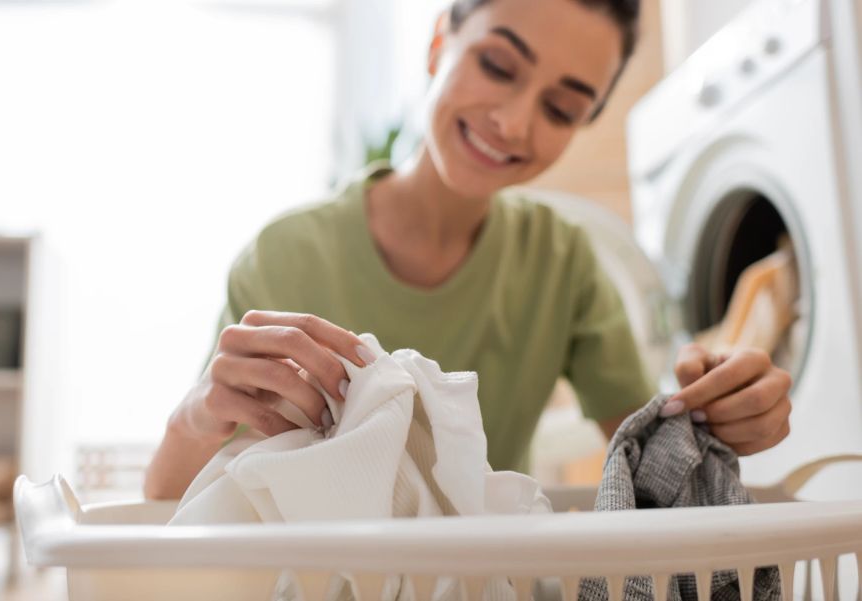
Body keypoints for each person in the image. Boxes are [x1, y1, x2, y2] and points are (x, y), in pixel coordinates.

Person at [143, 0, 792, 500]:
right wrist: (194, 416)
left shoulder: (561, 264)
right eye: (498, 66)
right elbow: (165, 511)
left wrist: (716, 422)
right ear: (437, 42)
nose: (512, 122)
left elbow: (649, 459)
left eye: (561, 108)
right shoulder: (286, 257)